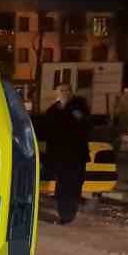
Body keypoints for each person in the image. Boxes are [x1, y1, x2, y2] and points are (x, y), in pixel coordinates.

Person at [40, 92, 91, 225]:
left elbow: (82, 124)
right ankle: (66, 215)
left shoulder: (75, 110)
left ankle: (67, 215)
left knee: (69, 188)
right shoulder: (58, 110)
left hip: (72, 157)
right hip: (66, 157)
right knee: (67, 188)